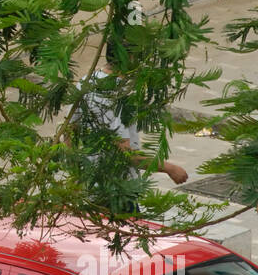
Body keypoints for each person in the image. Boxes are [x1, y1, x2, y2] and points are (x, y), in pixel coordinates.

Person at [71, 53, 188, 214]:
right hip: (116, 193)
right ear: (131, 57)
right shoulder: (113, 96)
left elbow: (70, 133)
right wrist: (170, 168)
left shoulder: (86, 82)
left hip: (90, 185)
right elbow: (126, 154)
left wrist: (76, 178)